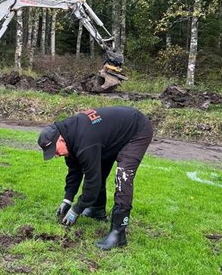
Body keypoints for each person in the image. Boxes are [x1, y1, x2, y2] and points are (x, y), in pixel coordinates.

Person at [37, 106, 153, 250]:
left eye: (54, 151)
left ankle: (118, 234)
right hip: (110, 135)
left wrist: (76, 209)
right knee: (99, 166)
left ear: (60, 140)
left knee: (123, 176)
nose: (55, 155)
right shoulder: (70, 136)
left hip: (136, 129)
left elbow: (93, 182)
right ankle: (97, 210)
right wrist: (67, 200)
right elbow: (74, 171)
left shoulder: (85, 141)